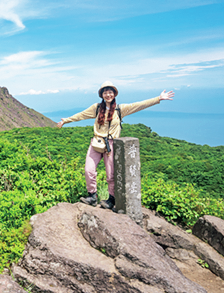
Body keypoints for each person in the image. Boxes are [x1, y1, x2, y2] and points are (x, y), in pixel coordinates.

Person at [56, 81, 174, 209]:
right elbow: (81, 115)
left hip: (111, 144)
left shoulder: (120, 109)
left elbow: (138, 105)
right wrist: (66, 120)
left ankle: (111, 199)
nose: (108, 95)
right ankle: (92, 196)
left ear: (114, 94)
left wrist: (158, 99)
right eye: (105, 92)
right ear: (102, 95)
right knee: (88, 170)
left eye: (110, 92)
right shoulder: (96, 108)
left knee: (111, 174)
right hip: (96, 142)